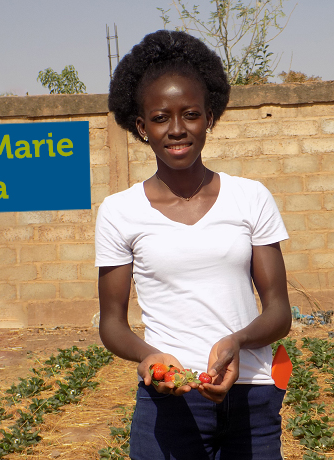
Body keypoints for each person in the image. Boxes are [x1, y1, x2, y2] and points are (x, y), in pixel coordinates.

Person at [95, 30, 292, 460]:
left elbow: (279, 312)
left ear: (210, 117)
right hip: (169, 402)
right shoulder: (119, 211)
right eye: (160, 118)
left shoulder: (250, 197)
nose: (177, 129)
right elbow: (112, 324)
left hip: (252, 397)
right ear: (141, 127)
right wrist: (150, 358)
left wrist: (237, 341)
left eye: (190, 114)